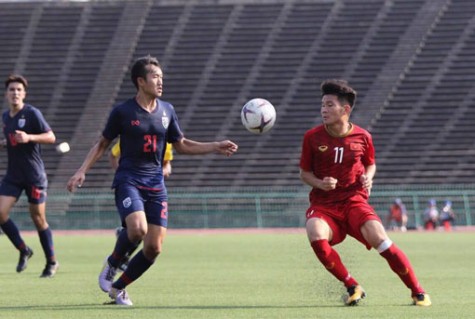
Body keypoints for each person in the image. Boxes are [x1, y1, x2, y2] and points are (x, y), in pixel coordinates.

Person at [66, 55, 238, 306]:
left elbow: (181, 145)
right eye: (155, 77)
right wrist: (81, 170)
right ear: (140, 81)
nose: (160, 81)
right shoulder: (123, 112)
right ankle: (113, 261)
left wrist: (215, 146)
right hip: (129, 180)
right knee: (137, 229)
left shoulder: (167, 110)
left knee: (153, 248)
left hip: (156, 185)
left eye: (161, 77)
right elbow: (103, 144)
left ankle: (118, 288)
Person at [299, 79, 431, 307]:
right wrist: (321, 183)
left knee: (382, 240)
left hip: (354, 201)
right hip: (324, 204)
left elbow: (371, 164)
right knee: (314, 232)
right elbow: (304, 173)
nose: (324, 109)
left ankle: (417, 291)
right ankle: (352, 285)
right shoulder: (312, 137)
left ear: (345, 109)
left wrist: (368, 176)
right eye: (322, 104)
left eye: (330, 105)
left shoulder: (363, 137)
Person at [0, 75, 59, 277]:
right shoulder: (6, 117)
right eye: (12, 90)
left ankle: (51, 262)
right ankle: (24, 249)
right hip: (13, 175)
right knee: (0, 213)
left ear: (24, 93)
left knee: (38, 218)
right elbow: (12, 140)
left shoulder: (32, 113)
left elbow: (51, 137)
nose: (15, 93)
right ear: (6, 94)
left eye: (18, 90)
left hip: (34, 175)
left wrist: (29, 137)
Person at [110, 139, 174, 271]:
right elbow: (113, 154)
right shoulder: (133, 135)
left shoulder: (166, 141)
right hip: (132, 185)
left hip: (154, 190)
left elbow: (167, 164)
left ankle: (125, 251)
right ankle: (120, 257)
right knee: (139, 227)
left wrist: (164, 170)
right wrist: (122, 173)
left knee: (149, 235)